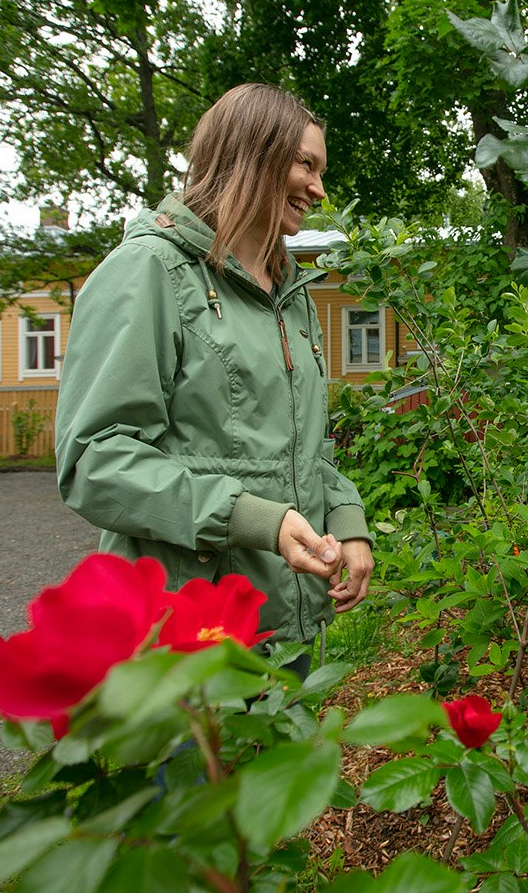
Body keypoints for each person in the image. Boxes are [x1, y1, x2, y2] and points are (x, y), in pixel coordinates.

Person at [56, 83, 373, 670]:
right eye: (305, 163)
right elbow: (95, 461)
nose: (319, 189)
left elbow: (301, 446)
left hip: (280, 626)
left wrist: (346, 520)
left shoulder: (291, 293)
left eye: (320, 169)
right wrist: (255, 519)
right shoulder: (148, 271)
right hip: (181, 638)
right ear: (251, 155)